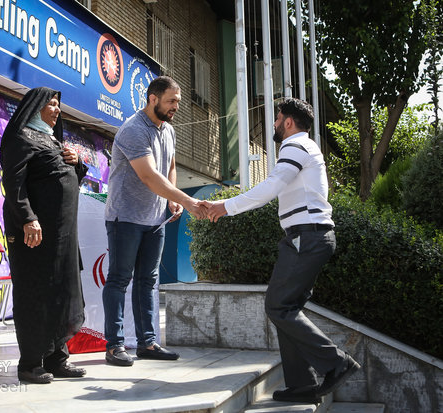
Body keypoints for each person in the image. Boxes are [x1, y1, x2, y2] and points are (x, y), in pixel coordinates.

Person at [203, 98, 361, 403]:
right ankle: (302, 386)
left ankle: (336, 362)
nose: (274, 124)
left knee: (278, 307)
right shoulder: (306, 147)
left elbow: (271, 187)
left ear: (288, 121)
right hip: (307, 237)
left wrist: (226, 206)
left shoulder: (294, 146)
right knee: (286, 308)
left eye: (277, 118)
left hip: (307, 236)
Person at [102, 76, 207, 367]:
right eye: (171, 101)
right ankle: (114, 346)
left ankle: (147, 342)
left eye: (178, 101)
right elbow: (148, 175)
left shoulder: (169, 130)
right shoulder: (133, 129)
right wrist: (187, 201)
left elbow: (169, 166)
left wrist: (172, 198)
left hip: (155, 218)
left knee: (148, 280)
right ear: (153, 98)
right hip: (126, 217)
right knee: (120, 279)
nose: (176, 107)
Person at [1, 87, 88, 384]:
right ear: (35, 106)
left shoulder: (52, 140)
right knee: (35, 293)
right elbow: (13, 183)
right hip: (33, 234)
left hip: (61, 236)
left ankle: (57, 358)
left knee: (60, 291)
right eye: (51, 104)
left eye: (58, 105)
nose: (56, 109)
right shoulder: (20, 137)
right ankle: (29, 363)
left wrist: (77, 163)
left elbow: (67, 180)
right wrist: (28, 218)